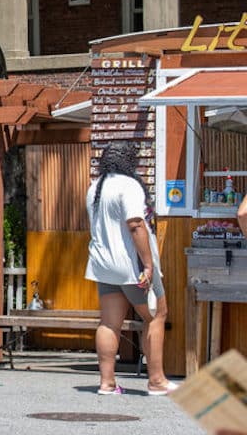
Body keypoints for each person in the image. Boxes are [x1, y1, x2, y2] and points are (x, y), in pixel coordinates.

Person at [85, 140, 176, 396]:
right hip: (131, 266)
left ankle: (107, 383)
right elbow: (135, 224)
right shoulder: (129, 186)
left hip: (103, 265)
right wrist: (148, 265)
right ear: (129, 161)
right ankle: (157, 381)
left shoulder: (95, 188)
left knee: (109, 323)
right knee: (156, 315)